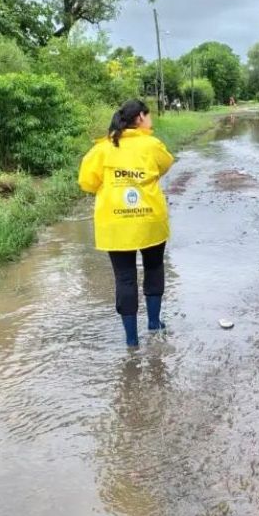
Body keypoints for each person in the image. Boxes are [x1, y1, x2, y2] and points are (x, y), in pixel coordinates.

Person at [78, 99, 174, 347]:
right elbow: (165, 165)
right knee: (154, 269)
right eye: (149, 116)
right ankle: (154, 324)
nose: (150, 121)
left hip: (115, 223)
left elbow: (87, 183)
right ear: (140, 117)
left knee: (125, 278)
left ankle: (131, 340)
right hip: (150, 220)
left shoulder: (102, 149)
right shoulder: (152, 145)